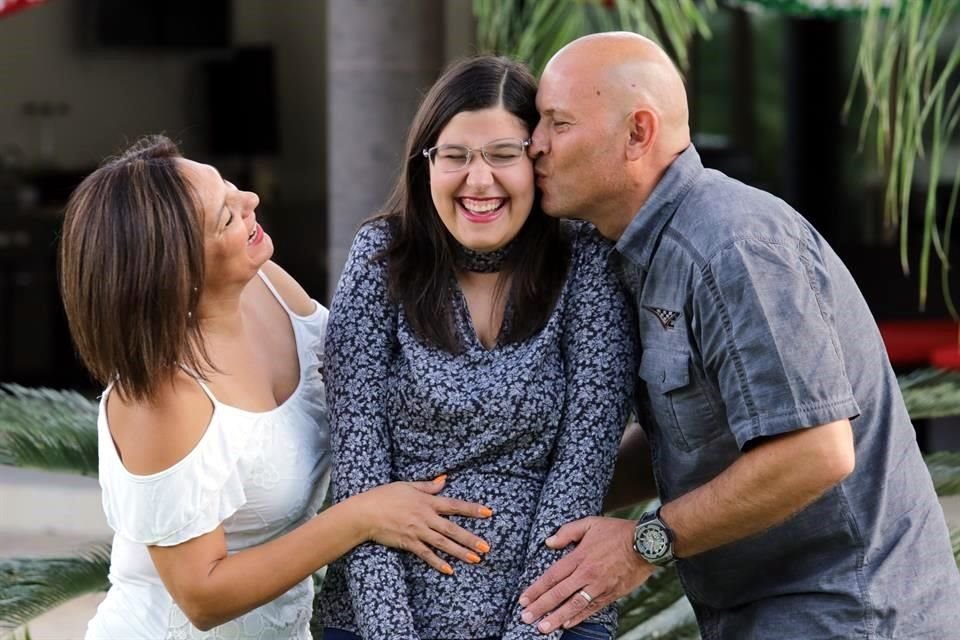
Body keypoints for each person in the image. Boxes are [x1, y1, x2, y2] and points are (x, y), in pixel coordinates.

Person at [514, 32, 960, 638]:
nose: (532, 145)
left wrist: (643, 543)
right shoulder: (636, 251)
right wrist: (534, 484)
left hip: (849, 616)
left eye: (556, 123)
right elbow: (696, 444)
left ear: (638, 133)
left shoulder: (734, 246)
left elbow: (814, 452)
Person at [60, 135, 496, 640]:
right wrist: (363, 517)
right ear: (176, 272)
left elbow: (360, 370)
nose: (251, 202)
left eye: (230, 188)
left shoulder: (264, 283)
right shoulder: (163, 396)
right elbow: (201, 596)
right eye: (226, 216)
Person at [315, 56, 637, 640]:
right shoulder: (379, 259)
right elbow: (360, 477)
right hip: (377, 618)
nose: (478, 181)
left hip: (553, 615)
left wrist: (526, 633)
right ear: (426, 165)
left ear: (537, 157)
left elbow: (582, 468)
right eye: (456, 156)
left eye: (503, 155)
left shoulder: (586, 262)